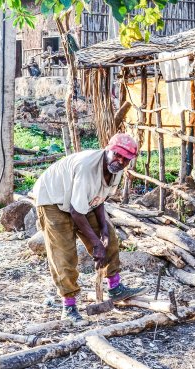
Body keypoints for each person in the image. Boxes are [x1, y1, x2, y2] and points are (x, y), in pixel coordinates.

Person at [33, 133, 147, 325]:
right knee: (64, 251)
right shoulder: (87, 167)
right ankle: (68, 305)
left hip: (79, 203)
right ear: (107, 149)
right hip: (52, 198)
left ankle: (115, 287)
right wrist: (95, 244)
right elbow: (76, 212)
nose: (120, 161)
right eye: (117, 155)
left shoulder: (116, 169)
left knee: (110, 237)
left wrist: (103, 230)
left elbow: (99, 198)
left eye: (125, 159)